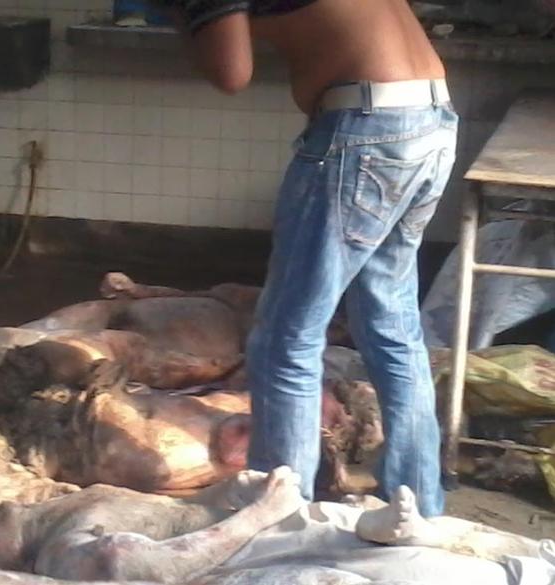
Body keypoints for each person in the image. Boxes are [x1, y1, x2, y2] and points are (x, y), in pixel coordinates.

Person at [161, 0, 458, 517]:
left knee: (286, 339)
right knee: (391, 327)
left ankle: (280, 522)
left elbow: (231, 71)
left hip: (367, 131)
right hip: (430, 118)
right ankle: (418, 507)